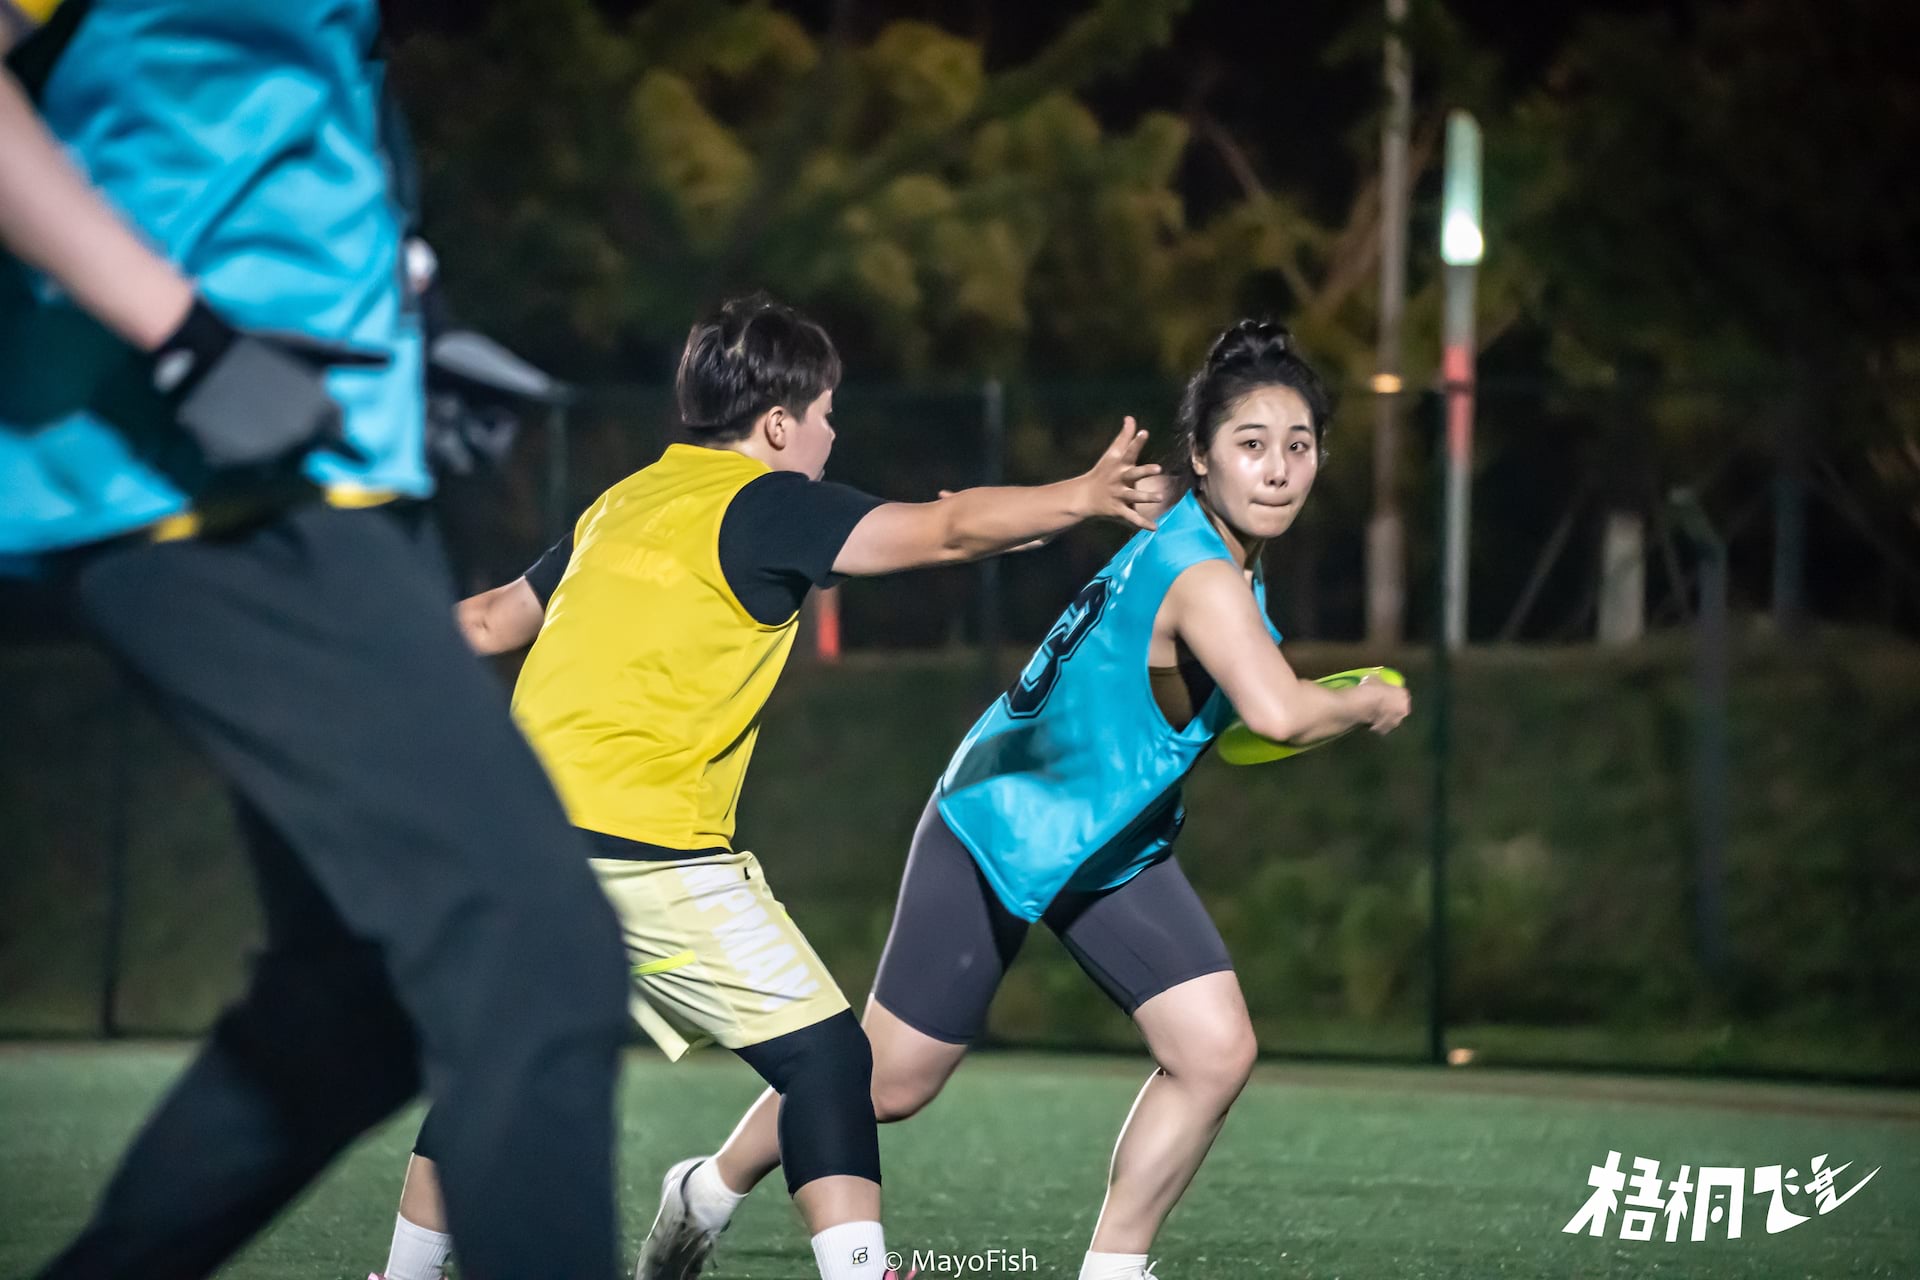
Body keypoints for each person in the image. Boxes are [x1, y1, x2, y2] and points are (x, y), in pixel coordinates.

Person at [1, 5, 630, 1277]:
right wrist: (185, 338)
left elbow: (268, 111)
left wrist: (412, 323)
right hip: (187, 468)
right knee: (530, 949)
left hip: (322, 457)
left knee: (358, 997)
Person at [374, 292, 1165, 1280]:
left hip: (519, 842)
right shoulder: (770, 503)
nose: (833, 436)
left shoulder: (625, 500)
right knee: (827, 1059)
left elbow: (493, 619)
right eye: (827, 414)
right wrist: (1082, 495)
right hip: (645, 854)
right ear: (780, 424)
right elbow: (949, 529)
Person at [644, 319, 1413, 1280]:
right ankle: (706, 1190)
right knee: (889, 1083)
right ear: (1204, 457)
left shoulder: (1194, 537)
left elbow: (1237, 714)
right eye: (1251, 444)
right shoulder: (1206, 576)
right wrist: (1368, 698)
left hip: (1109, 846)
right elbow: (1279, 714)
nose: (1278, 470)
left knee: (1214, 1051)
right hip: (997, 827)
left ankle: (1113, 1270)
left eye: (1298, 446)